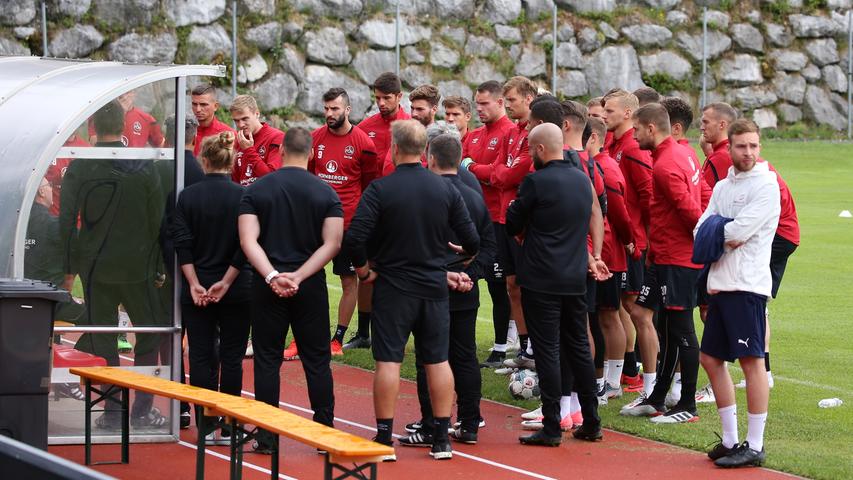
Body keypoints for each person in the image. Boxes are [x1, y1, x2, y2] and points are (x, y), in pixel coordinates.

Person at [344, 119, 480, 461]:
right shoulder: (446, 189)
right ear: (426, 152)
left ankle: (384, 438)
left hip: (393, 286)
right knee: (437, 360)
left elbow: (355, 237)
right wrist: (457, 253)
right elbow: (473, 239)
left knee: (388, 361)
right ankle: (441, 440)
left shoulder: (380, 189)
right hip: (434, 285)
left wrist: (363, 269)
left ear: (393, 148)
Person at [59, 99, 168, 429]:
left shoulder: (82, 166)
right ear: (123, 126)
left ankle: (111, 412)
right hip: (138, 267)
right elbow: (157, 219)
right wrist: (159, 264)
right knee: (149, 334)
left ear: (93, 128)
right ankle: (142, 408)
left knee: (103, 336)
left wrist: (71, 263)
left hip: (96, 267)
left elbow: (66, 218)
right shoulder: (143, 164)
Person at [238, 127, 342, 452]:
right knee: (316, 360)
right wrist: (299, 276)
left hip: (267, 286)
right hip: (309, 286)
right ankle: (325, 432)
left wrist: (271, 276)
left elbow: (247, 240)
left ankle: (267, 436)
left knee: (267, 359)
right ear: (312, 153)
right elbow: (333, 243)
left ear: (281, 151)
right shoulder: (326, 193)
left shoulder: (257, 190)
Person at [506, 122, 607, 446]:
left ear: (539, 149)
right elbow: (593, 214)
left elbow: (513, 223)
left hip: (541, 277)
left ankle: (552, 425)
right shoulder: (581, 179)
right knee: (578, 346)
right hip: (574, 275)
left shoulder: (535, 182)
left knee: (548, 350)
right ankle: (591, 420)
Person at [399, 132, 496, 447]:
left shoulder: (424, 194)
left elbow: (413, 242)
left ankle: (430, 425)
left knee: (429, 357)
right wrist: (471, 273)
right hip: (465, 289)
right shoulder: (474, 196)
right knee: (464, 355)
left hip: (429, 287)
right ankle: (469, 423)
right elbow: (489, 245)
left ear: (429, 157)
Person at [696, 119, 780, 468]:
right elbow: (702, 227)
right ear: (728, 147)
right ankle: (730, 440)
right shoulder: (723, 187)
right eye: (741, 146)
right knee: (711, 359)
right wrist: (719, 228)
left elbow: (738, 232)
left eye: (753, 146)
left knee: (752, 363)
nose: (748, 152)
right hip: (721, 283)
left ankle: (755, 445)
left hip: (747, 285)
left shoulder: (766, 185)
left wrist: (719, 227)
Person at [620, 104, 703, 424]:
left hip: (677, 260)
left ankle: (687, 405)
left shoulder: (667, 165)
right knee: (652, 318)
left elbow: (691, 214)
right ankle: (656, 398)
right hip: (662, 257)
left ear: (651, 129)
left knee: (681, 330)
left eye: (637, 129)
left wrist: (706, 245)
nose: (634, 134)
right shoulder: (682, 153)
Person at [172, 131, 252, 444]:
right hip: (235, 287)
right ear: (231, 162)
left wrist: (193, 283)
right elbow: (244, 244)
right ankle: (230, 425)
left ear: (203, 161)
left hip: (198, 286)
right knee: (232, 357)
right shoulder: (242, 197)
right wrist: (227, 280)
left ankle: (205, 423)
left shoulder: (187, 196)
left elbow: (182, 242)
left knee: (201, 357)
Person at [286, 88, 377, 361]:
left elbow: (369, 185)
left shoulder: (363, 143)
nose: (329, 114)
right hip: (315, 222)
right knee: (304, 278)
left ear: (347, 110)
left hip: (348, 224)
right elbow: (308, 177)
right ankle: (301, 339)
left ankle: (337, 339)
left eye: (335, 109)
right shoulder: (315, 139)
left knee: (349, 280)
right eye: (326, 109)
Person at [462, 76, 537, 370]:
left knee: (520, 286)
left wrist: (478, 169)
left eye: (512, 101)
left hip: (517, 221)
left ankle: (523, 348)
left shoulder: (526, 133)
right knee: (510, 284)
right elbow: (498, 171)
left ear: (528, 99)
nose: (508, 105)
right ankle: (525, 348)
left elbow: (506, 175)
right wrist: (493, 172)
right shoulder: (512, 133)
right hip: (499, 219)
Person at [347, 72, 410, 349]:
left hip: (401, 210)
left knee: (400, 271)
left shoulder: (410, 126)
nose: (382, 103)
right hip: (373, 208)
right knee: (367, 269)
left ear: (399, 97)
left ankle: (396, 331)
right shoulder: (366, 127)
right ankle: (363, 333)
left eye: (387, 98)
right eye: (377, 98)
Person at [603, 89, 654, 397]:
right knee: (621, 306)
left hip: (633, 242)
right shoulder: (614, 144)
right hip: (621, 239)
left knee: (635, 308)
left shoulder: (632, 148)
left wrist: (641, 239)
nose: (604, 115)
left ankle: (642, 378)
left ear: (627, 114)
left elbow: (649, 196)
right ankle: (624, 374)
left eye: (609, 111)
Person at [586, 116, 635, 402]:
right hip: (600, 251)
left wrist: (630, 241)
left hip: (608, 254)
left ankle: (612, 382)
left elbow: (618, 213)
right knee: (601, 315)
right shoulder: (595, 165)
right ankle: (602, 379)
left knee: (609, 314)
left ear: (593, 138)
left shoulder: (606, 167)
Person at [380, 84, 440, 176]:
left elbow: (445, 172)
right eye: (412, 108)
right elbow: (388, 170)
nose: (414, 114)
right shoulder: (404, 133)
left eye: (420, 109)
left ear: (434, 109)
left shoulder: (442, 138)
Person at [230, 94, 284, 186]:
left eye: (244, 119)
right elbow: (235, 181)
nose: (240, 125)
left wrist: (249, 150)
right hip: (244, 198)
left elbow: (272, 178)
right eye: (236, 121)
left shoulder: (276, 137)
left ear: (257, 114)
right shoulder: (239, 140)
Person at [88, 90, 165, 148]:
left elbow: (162, 146)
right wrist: (119, 111)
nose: (124, 97)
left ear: (133, 94)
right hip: (109, 165)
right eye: (120, 93)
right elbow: (94, 142)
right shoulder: (100, 114)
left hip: (134, 166)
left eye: (127, 92)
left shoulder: (146, 119)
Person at [191, 84, 235, 157]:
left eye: (203, 104)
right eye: (194, 104)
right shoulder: (183, 132)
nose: (198, 109)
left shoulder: (228, 135)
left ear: (215, 106)